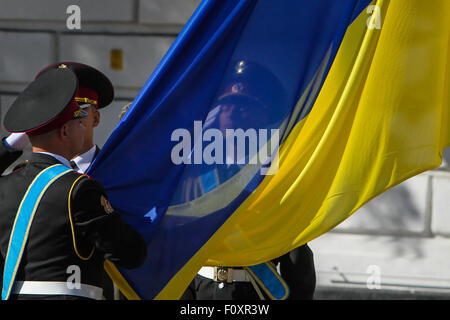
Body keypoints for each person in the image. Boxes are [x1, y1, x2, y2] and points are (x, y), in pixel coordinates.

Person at [0, 66, 147, 300]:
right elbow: (131, 252)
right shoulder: (81, 188)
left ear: (96, 117)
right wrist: (10, 146)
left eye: (82, 115)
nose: (80, 124)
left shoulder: (7, 185)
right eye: (76, 119)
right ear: (65, 130)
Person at [180, 60, 316, 300]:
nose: (231, 112)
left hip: (254, 292)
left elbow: (295, 253)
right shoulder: (195, 178)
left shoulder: (276, 177)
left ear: (264, 115)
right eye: (226, 104)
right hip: (200, 291)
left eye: (243, 104)